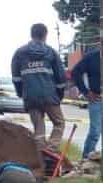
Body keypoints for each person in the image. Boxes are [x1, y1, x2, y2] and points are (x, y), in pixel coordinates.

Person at [11, 23, 68, 151]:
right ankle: (51, 150)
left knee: (38, 127)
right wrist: (59, 95)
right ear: (45, 35)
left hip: (30, 96)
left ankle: (41, 154)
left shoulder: (20, 53)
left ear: (32, 34)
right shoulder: (51, 52)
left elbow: (16, 78)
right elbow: (61, 78)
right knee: (59, 123)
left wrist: (21, 93)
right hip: (50, 95)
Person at [69, 47, 103, 160]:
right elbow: (75, 72)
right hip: (97, 99)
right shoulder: (92, 56)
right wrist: (86, 92)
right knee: (95, 132)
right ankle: (85, 160)